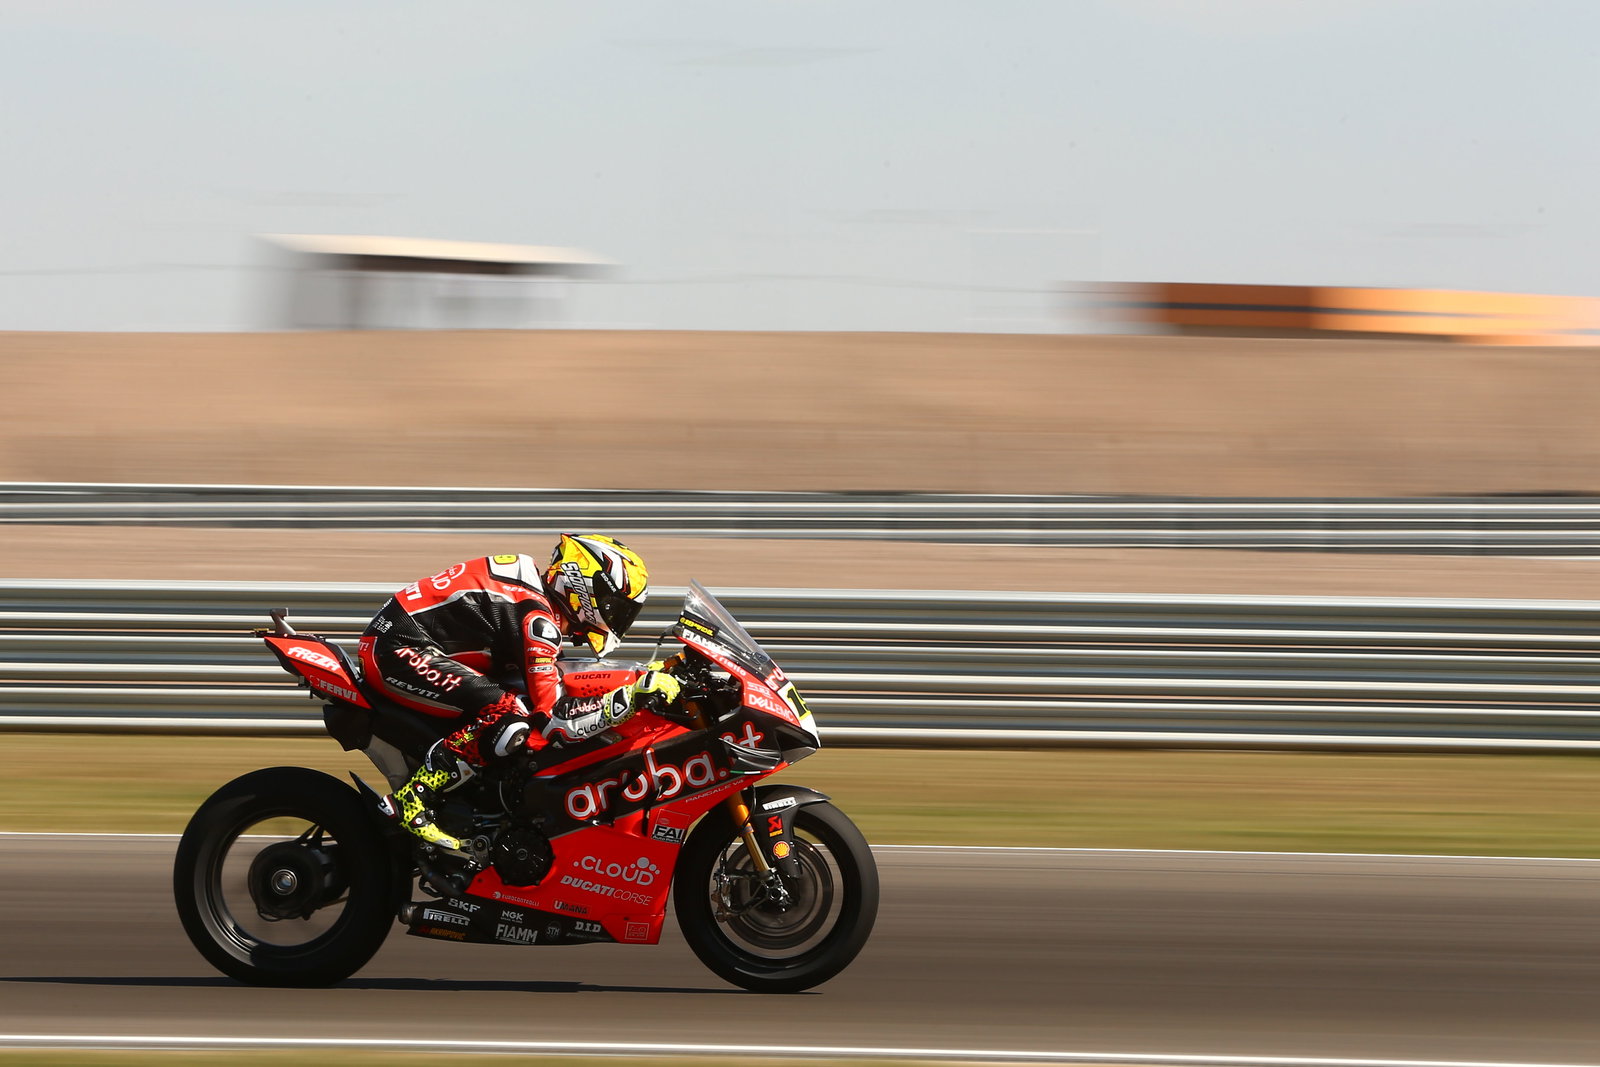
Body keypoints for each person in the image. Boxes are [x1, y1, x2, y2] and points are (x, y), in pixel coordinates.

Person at [357, 533, 680, 853]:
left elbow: (563, 677)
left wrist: (642, 675)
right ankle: (415, 797)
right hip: (398, 650)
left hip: (413, 642)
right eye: (615, 606)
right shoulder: (536, 616)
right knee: (511, 715)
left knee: (521, 703)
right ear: (584, 586)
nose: (615, 618)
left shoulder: (535, 599)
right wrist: (628, 699)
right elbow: (554, 720)